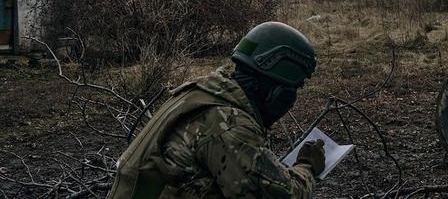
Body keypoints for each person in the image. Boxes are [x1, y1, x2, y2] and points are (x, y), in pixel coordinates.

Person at [107, 22, 326, 198]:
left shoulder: (203, 91)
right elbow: (282, 194)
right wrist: (306, 167)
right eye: (292, 90)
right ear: (276, 91)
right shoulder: (228, 124)